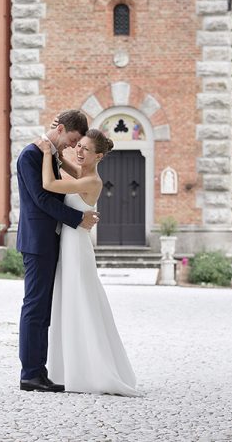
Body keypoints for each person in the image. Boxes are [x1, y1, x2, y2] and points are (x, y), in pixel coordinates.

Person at [37, 128, 140, 396]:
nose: (79, 151)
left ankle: (91, 368)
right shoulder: (83, 173)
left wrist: (47, 152)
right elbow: (64, 161)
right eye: (79, 146)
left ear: (99, 156)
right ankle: (71, 366)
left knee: (80, 299)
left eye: (85, 149)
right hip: (69, 243)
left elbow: (49, 184)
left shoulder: (91, 181)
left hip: (76, 248)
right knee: (72, 300)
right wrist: (57, 148)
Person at [16, 109, 99, 393]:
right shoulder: (30, 155)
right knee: (35, 307)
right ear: (61, 129)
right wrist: (78, 219)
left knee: (43, 309)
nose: (71, 146)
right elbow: (40, 199)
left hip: (50, 241)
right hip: (37, 242)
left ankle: (39, 371)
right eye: (72, 140)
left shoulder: (49, 154)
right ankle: (30, 373)